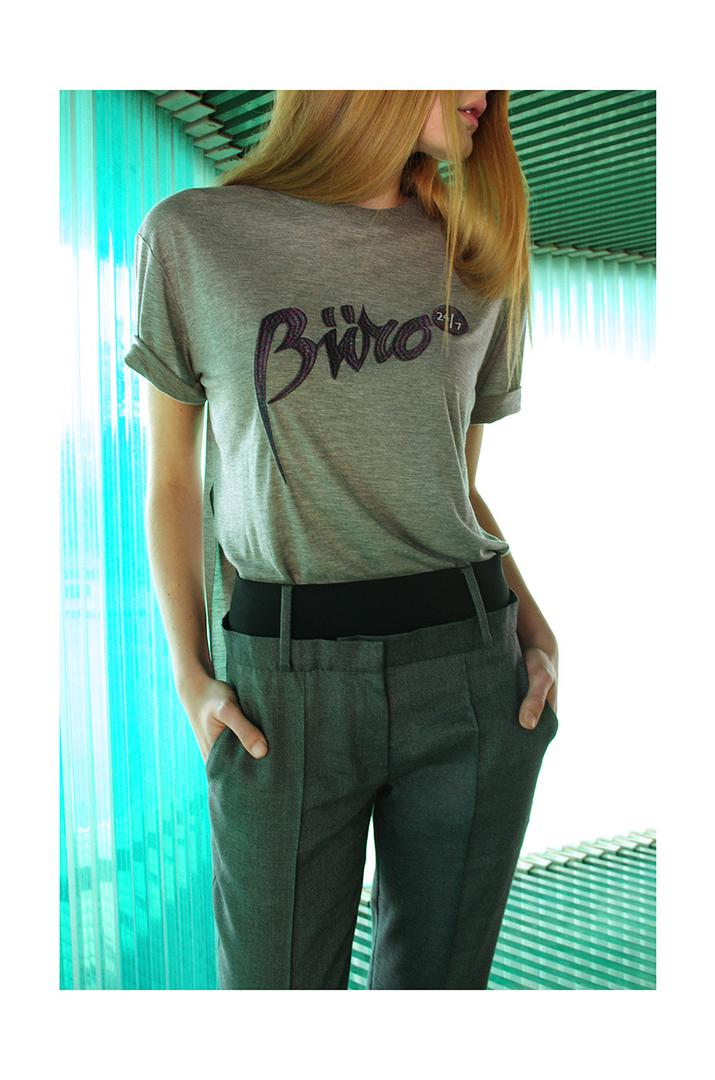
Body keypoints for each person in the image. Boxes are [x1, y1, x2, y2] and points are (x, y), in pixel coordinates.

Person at [123, 89, 560, 990]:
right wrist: (189, 675)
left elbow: (455, 490)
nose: (487, 89)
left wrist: (539, 633)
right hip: (279, 694)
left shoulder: (475, 258)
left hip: (471, 674)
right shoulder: (194, 236)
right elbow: (172, 482)